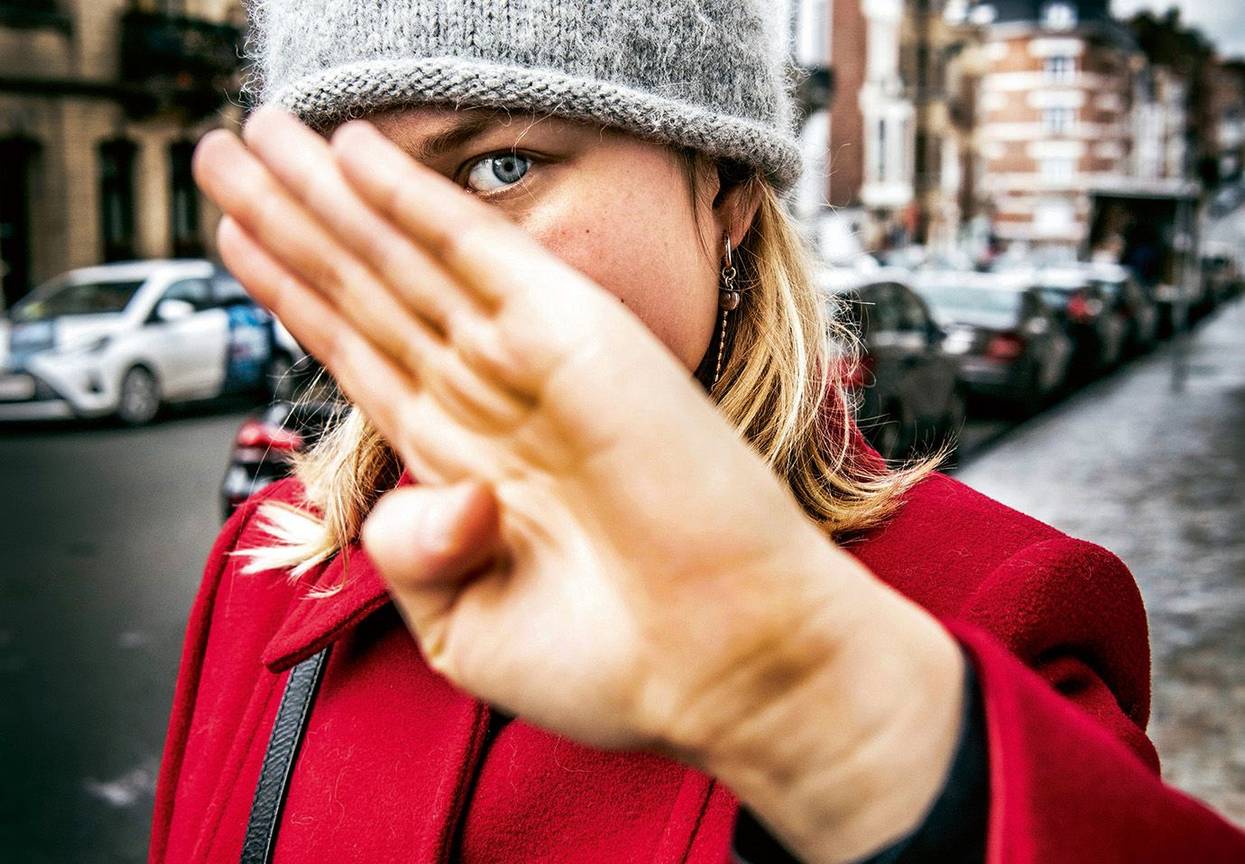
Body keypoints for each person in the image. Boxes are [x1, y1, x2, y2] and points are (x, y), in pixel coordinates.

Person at [150, 2, 1245, 862]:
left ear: (721, 193)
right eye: (346, 193)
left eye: (501, 167)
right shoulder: (262, 575)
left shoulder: (973, 613)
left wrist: (814, 706)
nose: (411, 264)